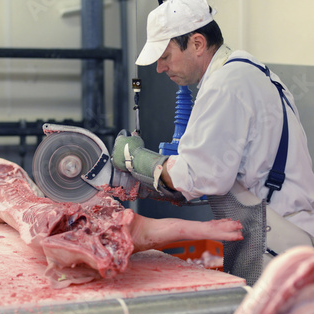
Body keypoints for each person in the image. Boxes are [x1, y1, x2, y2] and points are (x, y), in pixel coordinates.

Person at [112, 0, 314, 237]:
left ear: (197, 43)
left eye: (165, 56)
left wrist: (135, 159)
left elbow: (196, 178)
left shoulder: (225, 85)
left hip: (278, 235)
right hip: (284, 226)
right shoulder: (249, 70)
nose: (160, 68)